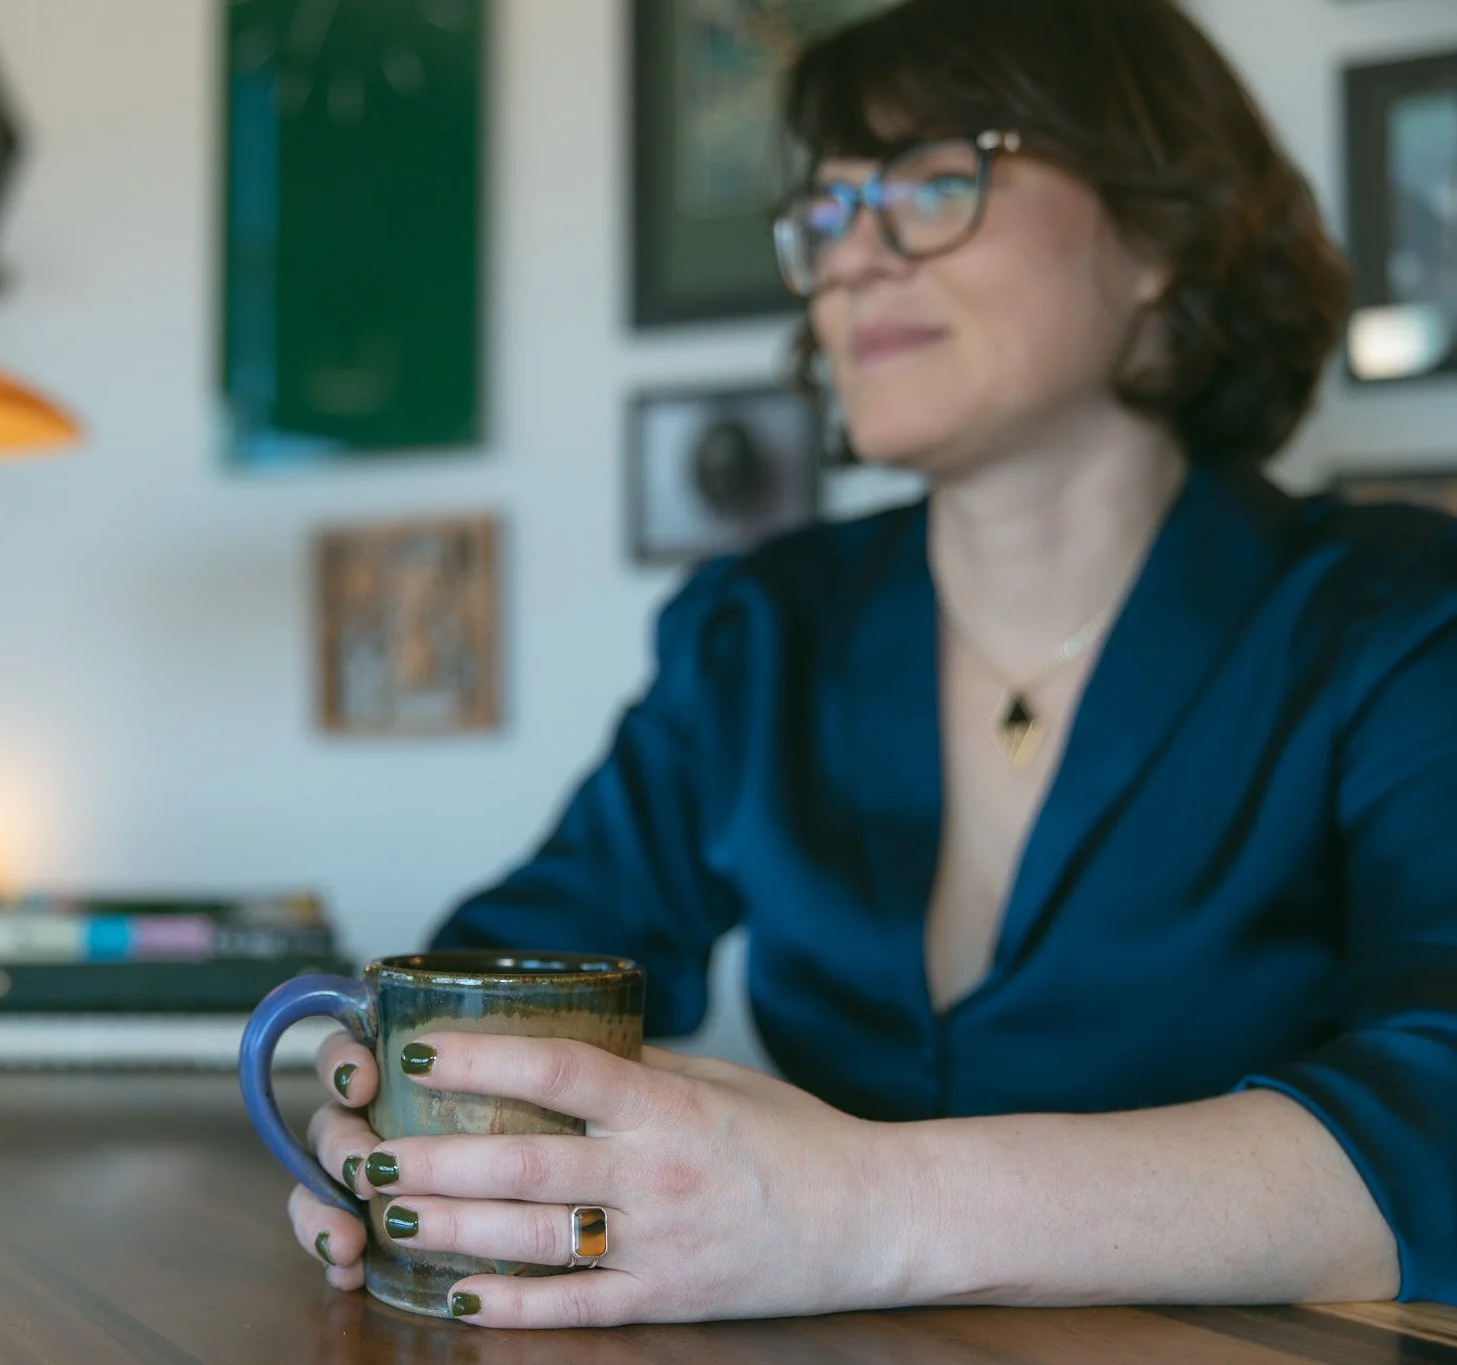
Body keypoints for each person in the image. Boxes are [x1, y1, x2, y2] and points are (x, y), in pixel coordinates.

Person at [285, 0, 1457, 1328]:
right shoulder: (760, 629)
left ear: (1159, 237)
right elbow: (513, 959)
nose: (853, 260)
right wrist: (414, 1123)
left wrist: (862, 1205)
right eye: (830, 213)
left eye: (936, 183)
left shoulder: (1396, 616)